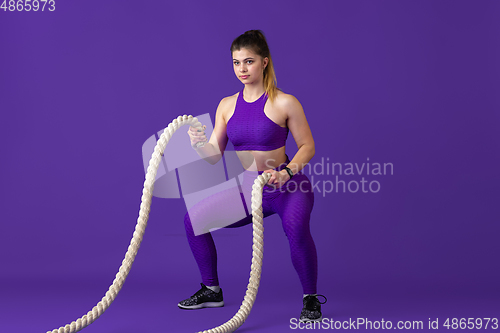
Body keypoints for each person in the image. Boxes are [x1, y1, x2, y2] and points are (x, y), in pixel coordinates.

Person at [179, 29, 326, 322]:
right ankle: (211, 290)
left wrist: (286, 172)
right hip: (249, 189)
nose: (242, 69)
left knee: (296, 229)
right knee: (193, 220)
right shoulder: (226, 105)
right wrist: (197, 144)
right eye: (236, 63)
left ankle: (311, 298)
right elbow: (214, 155)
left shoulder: (285, 102)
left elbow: (308, 147)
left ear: (265, 62)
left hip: (288, 187)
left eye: (249, 61)